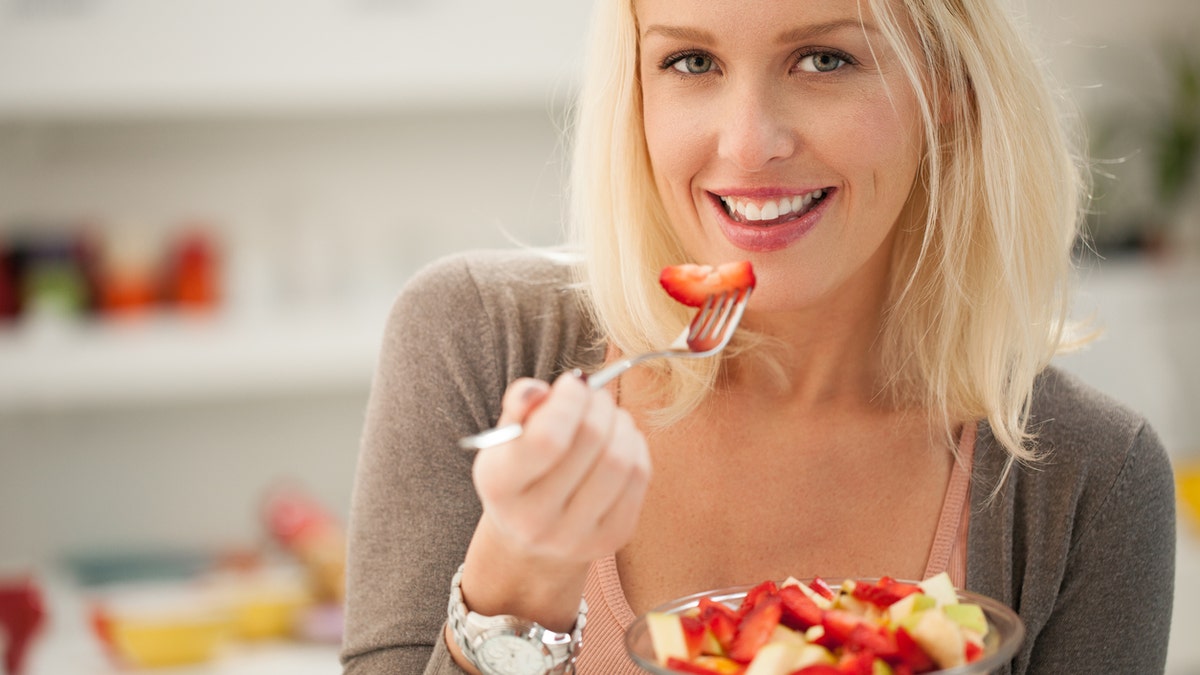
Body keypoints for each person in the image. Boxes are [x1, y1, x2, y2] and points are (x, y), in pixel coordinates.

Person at [340, 0, 1177, 673]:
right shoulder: (473, 342)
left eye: (824, 59)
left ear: (948, 80)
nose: (747, 143)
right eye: (691, 61)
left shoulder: (1092, 480)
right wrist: (516, 585)